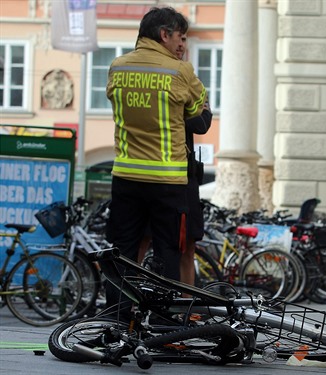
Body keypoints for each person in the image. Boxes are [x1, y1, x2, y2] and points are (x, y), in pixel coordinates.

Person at [105, 6, 207, 314]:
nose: (182, 45)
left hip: (125, 177)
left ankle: (116, 320)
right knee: (168, 253)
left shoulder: (118, 67)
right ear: (164, 34)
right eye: (180, 37)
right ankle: (164, 323)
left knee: (122, 252)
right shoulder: (180, 71)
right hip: (168, 182)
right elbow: (198, 113)